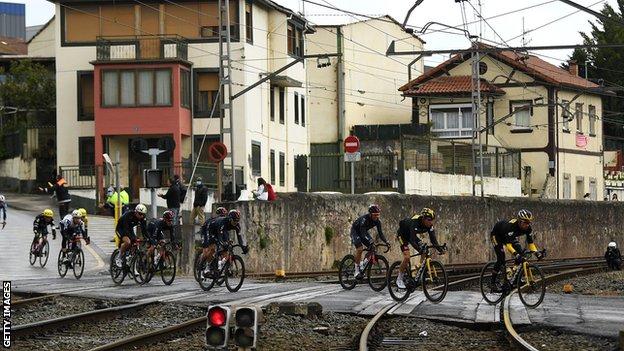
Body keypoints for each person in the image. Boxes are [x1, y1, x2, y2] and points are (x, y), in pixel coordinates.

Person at [489, 209, 543, 292]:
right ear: (519, 221)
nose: (527, 225)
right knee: (501, 258)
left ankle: (515, 277)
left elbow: (531, 243)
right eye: (525, 222)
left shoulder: (528, 228)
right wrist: (516, 255)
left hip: (509, 237)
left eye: (529, 222)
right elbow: (509, 246)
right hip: (497, 236)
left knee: (521, 253)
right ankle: (492, 283)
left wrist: (537, 253)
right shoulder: (511, 226)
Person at [395, 208, 444, 289]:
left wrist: (440, 249)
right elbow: (412, 239)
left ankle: (418, 271)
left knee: (425, 250)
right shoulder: (415, 222)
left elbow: (433, 240)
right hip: (402, 235)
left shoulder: (430, 225)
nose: (431, 222)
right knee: (407, 257)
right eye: (429, 220)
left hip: (412, 236)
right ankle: (399, 279)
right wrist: (419, 249)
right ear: (423, 218)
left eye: (432, 220)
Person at [200, 209, 248, 275]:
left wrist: (243, 247)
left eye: (237, 221)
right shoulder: (223, 222)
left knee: (226, 249)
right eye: (234, 221)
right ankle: (205, 266)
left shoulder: (237, 225)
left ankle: (218, 265)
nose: (235, 223)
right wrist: (223, 243)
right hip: (209, 228)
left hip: (221, 230)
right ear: (230, 219)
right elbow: (219, 236)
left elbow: (239, 238)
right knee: (212, 248)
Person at [350, 204, 389, 278]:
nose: (376, 217)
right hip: (356, 232)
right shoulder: (364, 219)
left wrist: (386, 242)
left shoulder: (377, 221)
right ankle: (356, 270)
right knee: (360, 249)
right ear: (370, 214)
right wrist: (370, 241)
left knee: (372, 247)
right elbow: (362, 233)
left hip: (363, 232)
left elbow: (380, 233)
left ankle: (363, 263)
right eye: (374, 215)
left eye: (378, 215)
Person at [115, 203, 148, 267]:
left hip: (129, 228)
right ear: (136, 212)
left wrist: (147, 238)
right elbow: (125, 229)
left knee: (135, 243)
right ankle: (118, 257)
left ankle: (129, 259)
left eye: (143, 214)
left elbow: (144, 230)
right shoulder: (128, 215)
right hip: (121, 228)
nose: (141, 216)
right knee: (128, 242)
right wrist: (132, 238)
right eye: (140, 214)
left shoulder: (142, 218)